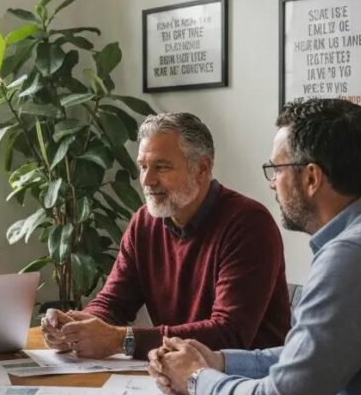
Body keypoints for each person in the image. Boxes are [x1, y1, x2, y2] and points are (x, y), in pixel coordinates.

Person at [149, 98, 361, 395]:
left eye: (277, 169)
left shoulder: (352, 259)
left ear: (311, 178)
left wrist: (195, 378)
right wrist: (220, 361)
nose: (273, 182)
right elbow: (308, 358)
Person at [42, 112, 291, 360]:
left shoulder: (248, 223)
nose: (148, 180)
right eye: (143, 166)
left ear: (202, 168)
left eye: (161, 167)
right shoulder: (145, 222)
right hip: (177, 375)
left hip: (249, 383)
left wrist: (122, 340)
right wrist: (74, 327)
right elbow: (112, 303)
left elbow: (229, 333)